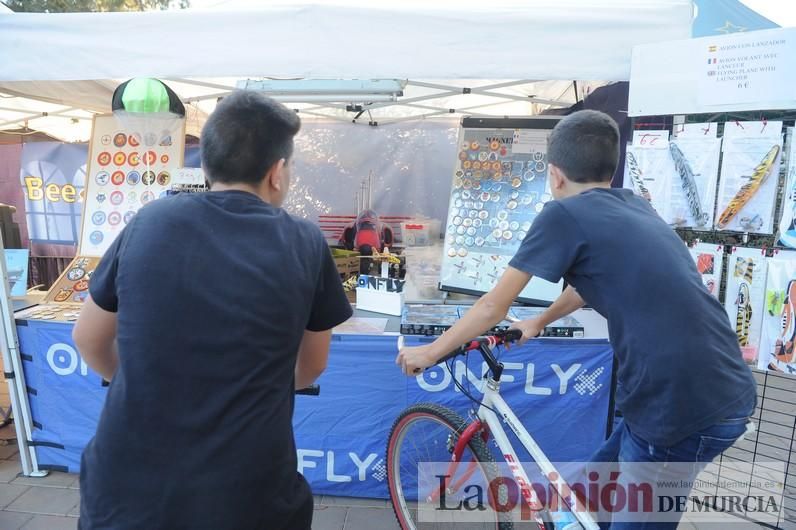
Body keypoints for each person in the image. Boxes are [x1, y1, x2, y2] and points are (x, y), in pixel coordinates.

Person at [396, 110, 757, 529]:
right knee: (586, 499)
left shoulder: (562, 214)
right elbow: (589, 283)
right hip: (704, 386)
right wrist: (540, 320)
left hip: (679, 406)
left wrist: (431, 351)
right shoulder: (631, 205)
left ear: (554, 175)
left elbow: (492, 306)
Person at [73, 91, 352, 530]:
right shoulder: (304, 242)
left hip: (128, 486)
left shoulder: (150, 221)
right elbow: (310, 366)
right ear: (277, 172)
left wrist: (138, 376)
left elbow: (88, 338)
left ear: (207, 165)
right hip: (246, 492)